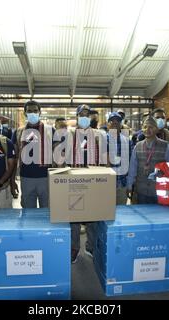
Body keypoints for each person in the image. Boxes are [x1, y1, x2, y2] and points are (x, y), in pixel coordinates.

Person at [65, 104, 104, 264]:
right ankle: (74, 248)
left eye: (87, 114)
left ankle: (91, 246)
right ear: (77, 117)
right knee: (74, 216)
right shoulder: (70, 134)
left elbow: (103, 158)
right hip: (75, 180)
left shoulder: (98, 135)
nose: (84, 117)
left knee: (93, 216)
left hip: (93, 180)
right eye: (82, 114)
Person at [11, 100, 54, 208]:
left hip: (46, 177)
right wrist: (12, 180)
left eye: (35, 110)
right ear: (25, 113)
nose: (33, 113)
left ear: (40, 112)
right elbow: (14, 157)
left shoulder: (50, 130)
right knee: (28, 212)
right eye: (29, 111)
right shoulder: (19, 132)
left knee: (47, 210)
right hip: (26, 177)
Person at [127, 116, 169, 204]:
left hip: (159, 192)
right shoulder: (138, 146)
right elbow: (132, 169)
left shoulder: (165, 146)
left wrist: (162, 171)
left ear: (156, 129)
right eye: (145, 127)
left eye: (151, 127)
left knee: (158, 217)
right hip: (141, 191)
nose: (147, 129)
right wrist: (129, 186)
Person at [107, 112, 131, 205]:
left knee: (122, 212)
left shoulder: (126, 140)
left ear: (121, 125)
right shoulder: (103, 139)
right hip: (107, 184)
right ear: (108, 124)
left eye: (117, 121)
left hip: (122, 183)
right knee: (107, 211)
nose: (115, 123)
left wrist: (129, 184)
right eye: (112, 121)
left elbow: (130, 162)